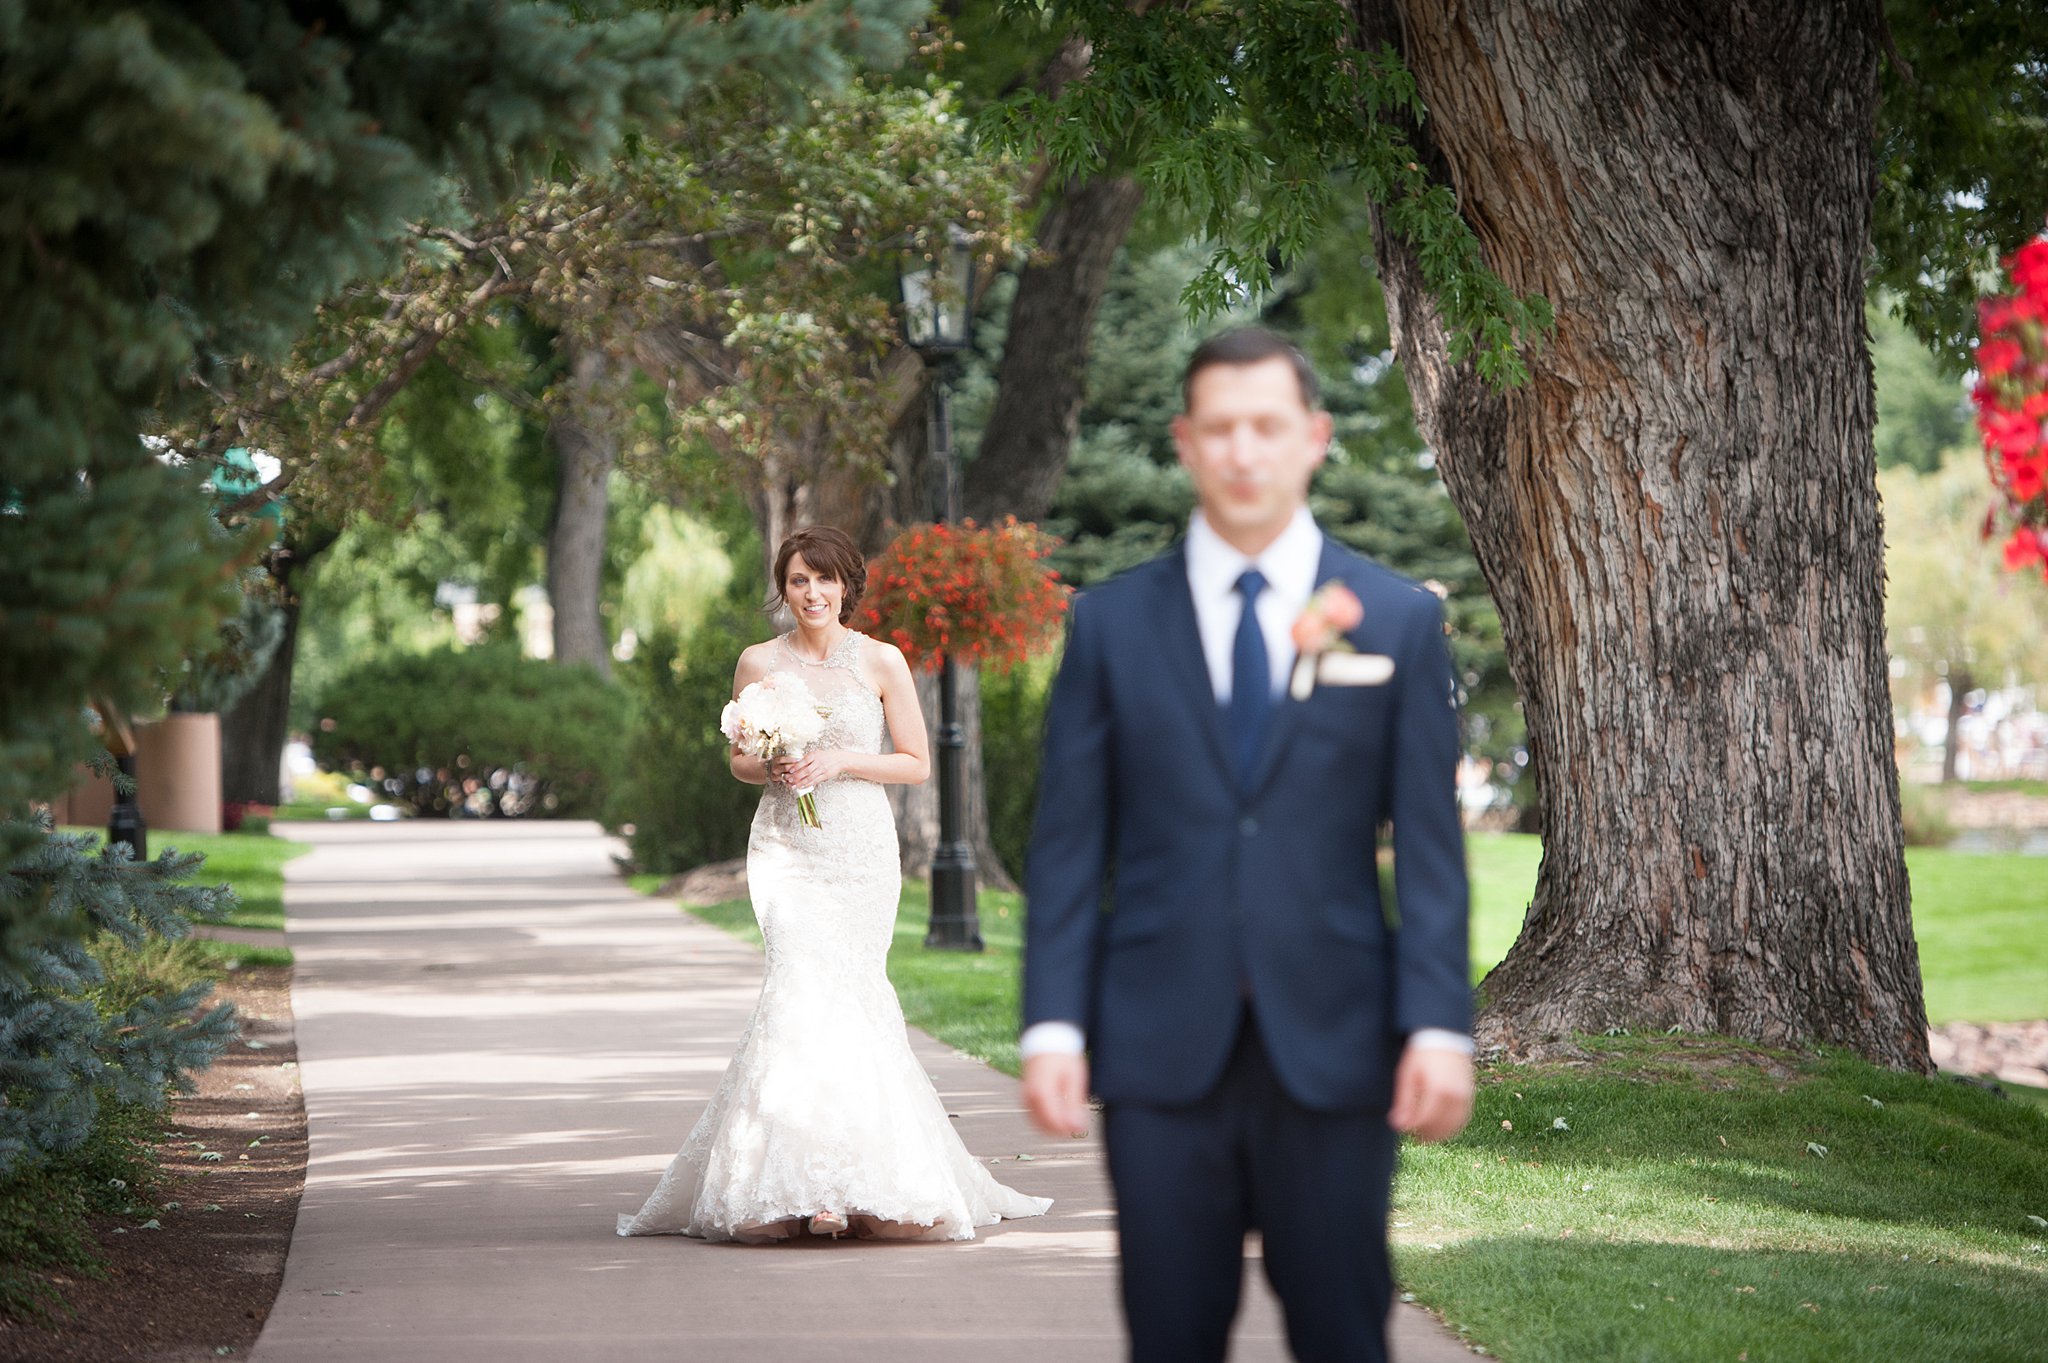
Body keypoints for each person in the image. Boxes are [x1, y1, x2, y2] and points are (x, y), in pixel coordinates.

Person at [1020, 328, 1475, 1360]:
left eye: (1265, 426)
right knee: (1170, 1334)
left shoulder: (1394, 624)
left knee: (1340, 1330)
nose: (1241, 451)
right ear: (1183, 442)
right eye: (1217, 428)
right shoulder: (1109, 625)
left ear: (1312, 438)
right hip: (1155, 1048)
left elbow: (1432, 851)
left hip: (1336, 1043)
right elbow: (1065, 843)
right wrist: (1052, 1023)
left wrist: (1438, 1025)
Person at [619, 525, 1050, 1242]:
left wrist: (841, 759)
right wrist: (776, 760)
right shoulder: (758, 661)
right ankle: (800, 1181)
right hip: (786, 845)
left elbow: (915, 762)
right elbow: (739, 761)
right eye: (797, 581)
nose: (811, 593)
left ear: (847, 584)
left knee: (851, 994)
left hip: (857, 846)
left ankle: (862, 1173)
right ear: (783, 589)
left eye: (824, 580)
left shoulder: (881, 660)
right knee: (796, 985)